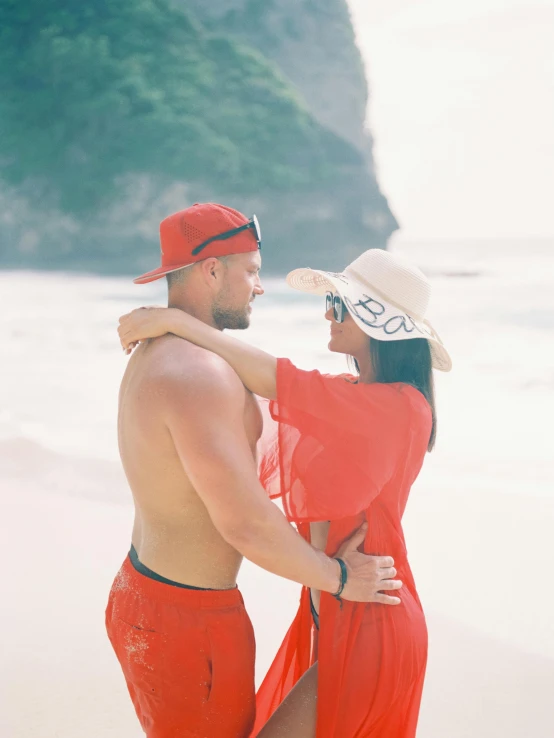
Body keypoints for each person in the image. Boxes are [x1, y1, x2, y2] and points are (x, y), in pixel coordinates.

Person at [118, 245, 452, 738]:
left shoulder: (401, 408)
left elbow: (271, 376)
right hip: (340, 609)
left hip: (371, 618)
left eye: (339, 305)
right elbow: (260, 402)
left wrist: (179, 323)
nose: (326, 312)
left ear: (378, 324)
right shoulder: (352, 397)